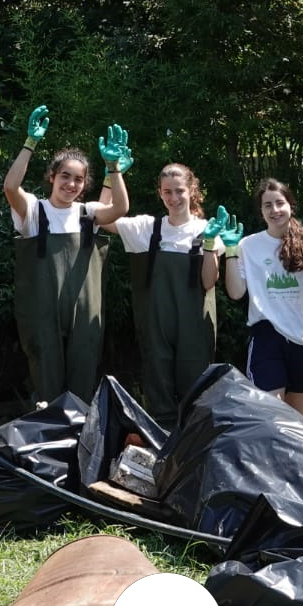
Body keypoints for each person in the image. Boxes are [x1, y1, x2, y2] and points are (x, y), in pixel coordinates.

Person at [0, 106, 131, 405]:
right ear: (52, 176)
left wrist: (114, 168)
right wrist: (29, 144)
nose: (70, 184)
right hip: (41, 313)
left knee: (82, 385)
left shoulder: (89, 213)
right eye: (65, 176)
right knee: (46, 385)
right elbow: (10, 187)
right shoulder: (34, 211)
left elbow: (120, 209)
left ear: (85, 184)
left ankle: (80, 444)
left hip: (84, 314)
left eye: (78, 179)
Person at [101, 161, 224, 425]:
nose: (174, 198)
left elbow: (209, 282)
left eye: (179, 190)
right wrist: (112, 174)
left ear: (191, 190)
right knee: (158, 385)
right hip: (155, 326)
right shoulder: (146, 228)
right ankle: (162, 444)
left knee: (197, 390)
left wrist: (211, 245)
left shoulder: (206, 230)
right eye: (167, 192)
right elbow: (104, 216)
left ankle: (194, 445)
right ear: (160, 193)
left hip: (194, 327)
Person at [221, 178, 303, 416]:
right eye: (267, 205)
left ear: (290, 205)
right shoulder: (248, 245)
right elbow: (236, 292)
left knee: (296, 420)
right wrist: (230, 251)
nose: (275, 210)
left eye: (279, 203)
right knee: (271, 413)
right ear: (261, 211)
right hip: (266, 334)